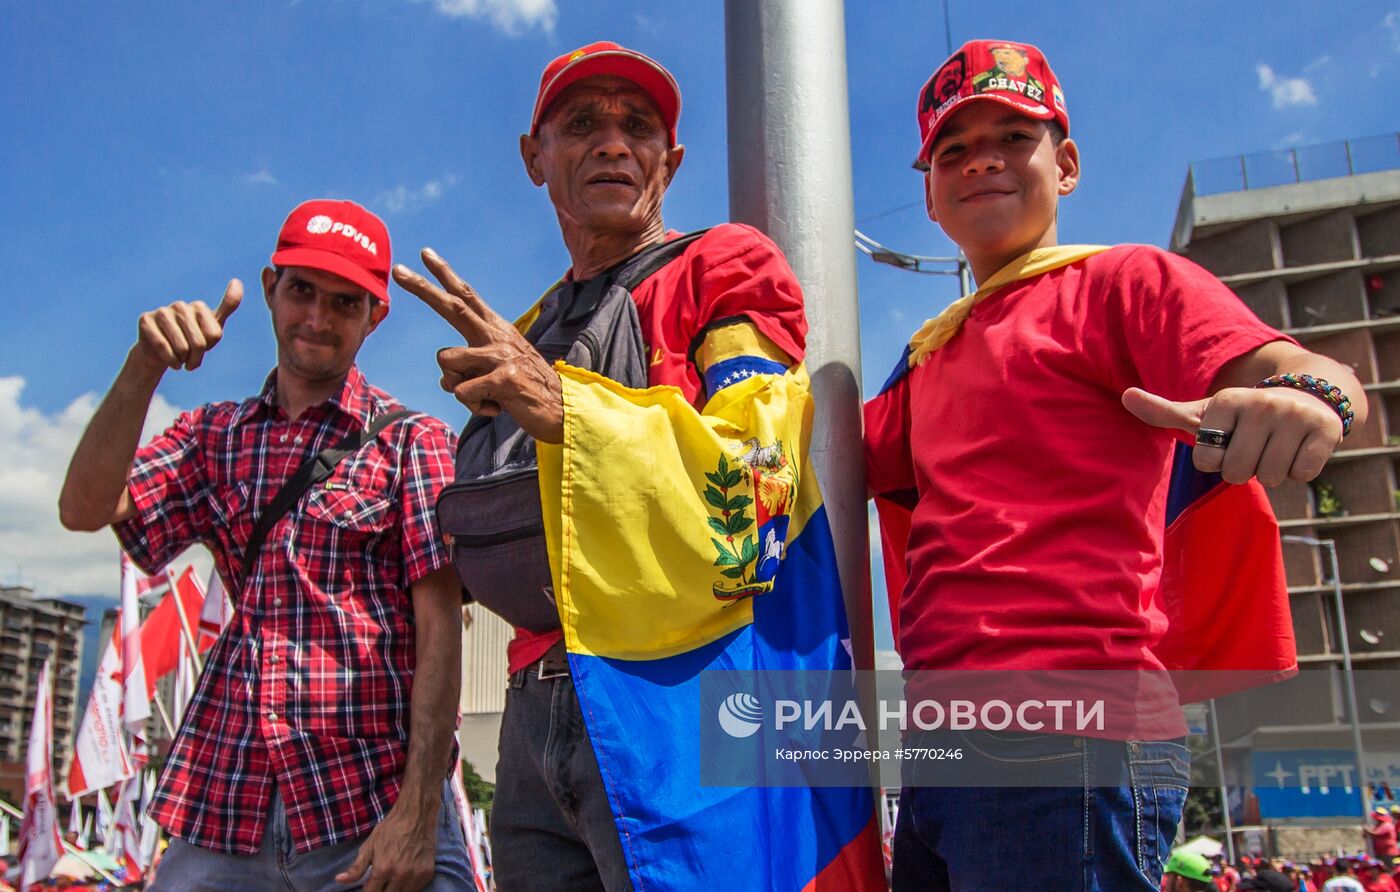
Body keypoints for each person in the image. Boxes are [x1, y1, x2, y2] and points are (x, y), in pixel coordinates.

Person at [865, 38, 1369, 891]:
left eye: (1012, 137)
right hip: (940, 740)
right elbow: (800, 464)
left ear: (1064, 165)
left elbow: (1306, 371)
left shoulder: (1124, 282)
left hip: (1070, 729)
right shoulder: (924, 360)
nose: (981, 159)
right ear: (931, 196)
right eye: (953, 148)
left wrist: (1312, 400)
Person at [394, 40, 883, 892]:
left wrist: (564, 411)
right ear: (533, 157)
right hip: (530, 714)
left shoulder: (725, 270)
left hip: (687, 700)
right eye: (582, 123)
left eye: (639, 126)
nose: (613, 142)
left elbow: (754, 489)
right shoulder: (529, 324)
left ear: (672, 158)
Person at [58, 200, 470, 891]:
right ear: (270, 286)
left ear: (376, 316)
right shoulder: (213, 436)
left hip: (364, 807)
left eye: (344, 302)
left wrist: (420, 809)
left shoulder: (414, 442)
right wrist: (145, 365)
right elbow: (83, 509)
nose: (317, 317)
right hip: (226, 800)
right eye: (302, 290)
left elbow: (442, 634)